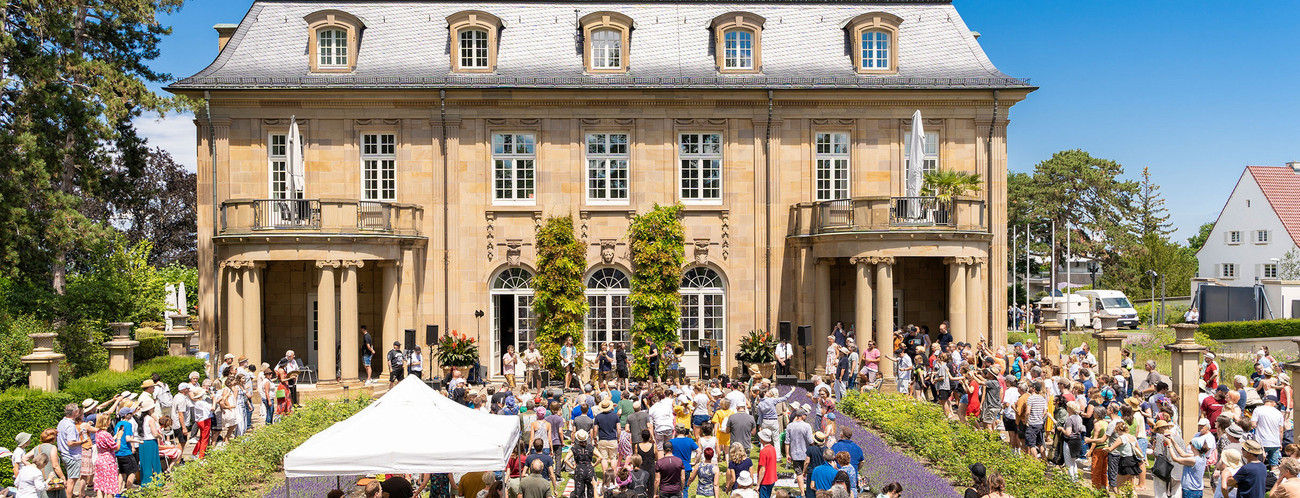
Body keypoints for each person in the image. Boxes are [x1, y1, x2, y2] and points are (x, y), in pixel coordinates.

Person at [55, 403, 84, 498]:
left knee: (70, 480)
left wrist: (77, 434)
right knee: (72, 481)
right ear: (75, 412)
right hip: (73, 456)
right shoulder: (70, 425)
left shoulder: (62, 422)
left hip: (65, 454)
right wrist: (82, 442)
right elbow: (70, 443)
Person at [1253, 395, 1285, 468]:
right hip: (1275, 442)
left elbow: (1253, 424)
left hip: (1262, 442)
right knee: (1274, 465)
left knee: (1258, 463)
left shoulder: (1258, 410)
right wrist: (1280, 443)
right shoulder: (1278, 413)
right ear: (1274, 403)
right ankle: (1274, 478)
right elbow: (1281, 430)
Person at [92, 415, 120, 498]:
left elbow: (107, 443)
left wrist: (114, 437)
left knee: (100, 486)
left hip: (100, 459)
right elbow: (116, 447)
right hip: (108, 461)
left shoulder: (98, 433)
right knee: (110, 486)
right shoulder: (106, 434)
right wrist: (119, 438)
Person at [572, 429, 596, 498]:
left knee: (579, 491)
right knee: (591, 490)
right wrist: (594, 464)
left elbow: (566, 460)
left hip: (579, 469)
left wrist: (572, 467)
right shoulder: (591, 447)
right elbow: (600, 457)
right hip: (589, 469)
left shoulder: (575, 448)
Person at [756, 429, 778, 498]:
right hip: (772, 478)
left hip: (765, 480)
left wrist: (758, 484)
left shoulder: (763, 451)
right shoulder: (773, 448)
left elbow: (762, 469)